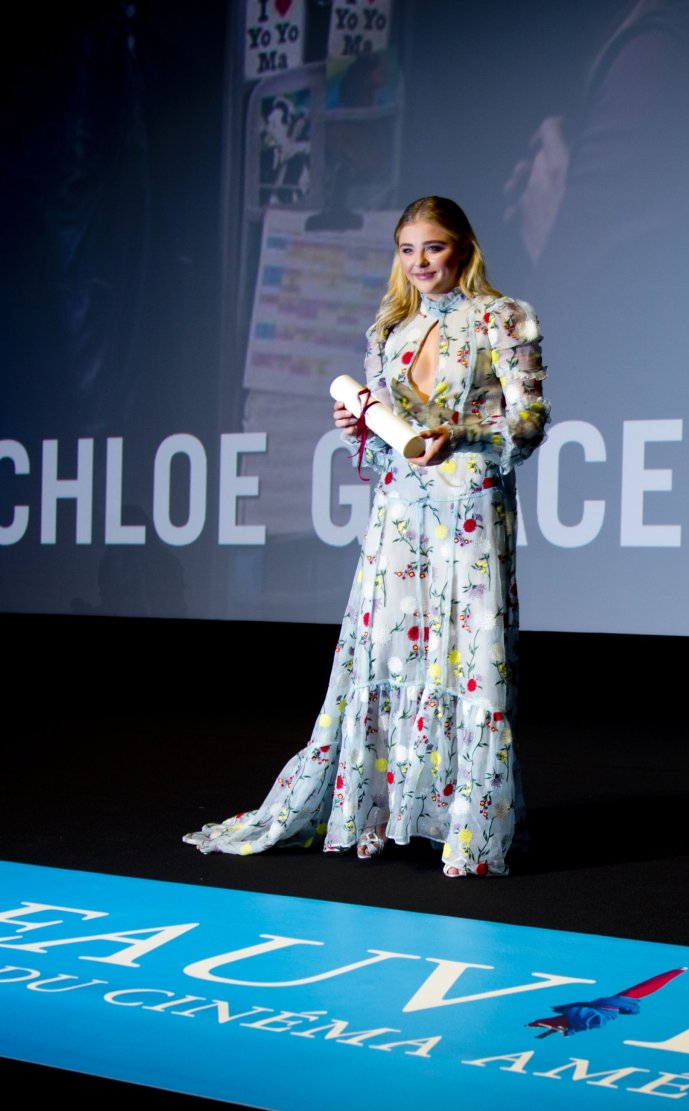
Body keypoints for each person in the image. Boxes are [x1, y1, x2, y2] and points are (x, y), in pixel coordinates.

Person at [186, 197, 548, 875]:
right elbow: (388, 443)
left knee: (468, 660)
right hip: (400, 513)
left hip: (469, 509)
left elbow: (528, 424)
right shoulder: (391, 330)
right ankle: (381, 813)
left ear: (463, 247)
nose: (420, 263)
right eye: (408, 250)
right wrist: (361, 429)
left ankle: (466, 829)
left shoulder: (503, 318)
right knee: (388, 656)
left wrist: (461, 433)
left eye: (433, 247)